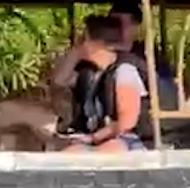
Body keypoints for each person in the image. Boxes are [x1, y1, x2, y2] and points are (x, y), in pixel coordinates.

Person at [64, 14, 149, 153]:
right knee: (69, 152)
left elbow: (127, 122)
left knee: (102, 152)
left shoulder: (124, 70)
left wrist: (93, 138)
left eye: (83, 40)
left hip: (134, 140)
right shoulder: (92, 72)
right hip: (105, 137)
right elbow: (59, 80)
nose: (79, 44)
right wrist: (75, 53)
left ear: (94, 44)